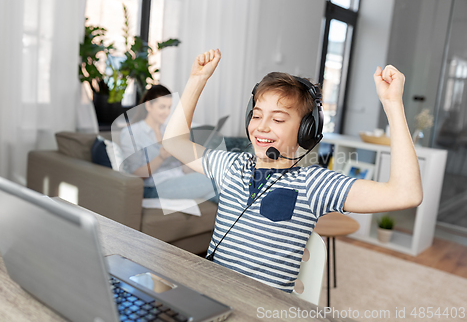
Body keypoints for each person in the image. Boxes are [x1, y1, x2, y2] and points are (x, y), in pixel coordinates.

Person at [163, 49, 423, 293]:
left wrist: (392, 105)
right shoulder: (231, 167)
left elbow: (406, 193)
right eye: (256, 115)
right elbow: (174, 141)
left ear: (306, 131)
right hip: (213, 296)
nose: (262, 127)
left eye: (277, 119)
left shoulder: (313, 184)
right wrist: (197, 80)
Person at [120, 85, 217, 203]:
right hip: (154, 187)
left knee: (220, 195)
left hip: (179, 177)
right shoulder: (131, 133)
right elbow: (135, 174)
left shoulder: (168, 130)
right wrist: (161, 157)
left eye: (169, 107)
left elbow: (182, 166)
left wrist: (187, 159)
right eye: (162, 107)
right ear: (148, 105)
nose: (166, 112)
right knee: (217, 180)